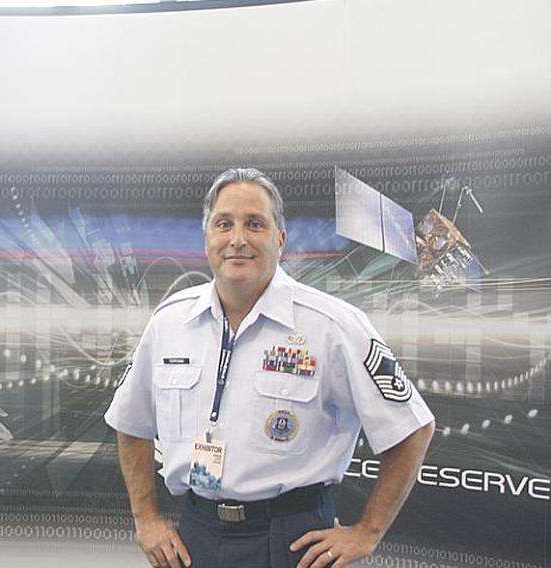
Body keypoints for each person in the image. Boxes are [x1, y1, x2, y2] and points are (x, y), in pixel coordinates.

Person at [104, 167, 434, 568]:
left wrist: (367, 532)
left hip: (292, 541)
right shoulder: (170, 322)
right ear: (207, 236)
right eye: (223, 223)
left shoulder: (332, 325)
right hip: (195, 535)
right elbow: (130, 421)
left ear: (280, 239)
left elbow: (412, 426)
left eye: (254, 224)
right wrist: (146, 519)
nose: (237, 239)